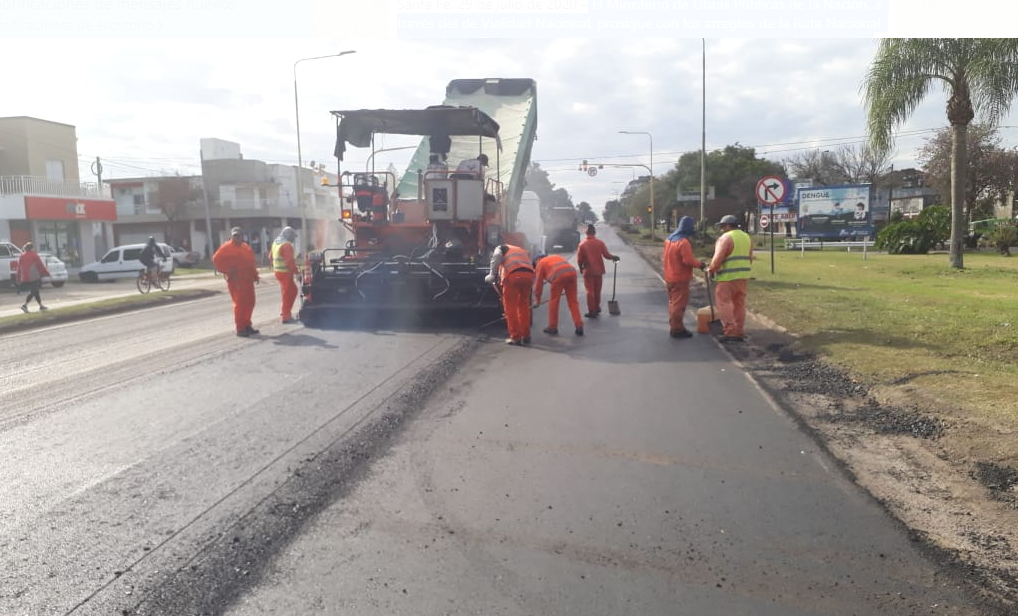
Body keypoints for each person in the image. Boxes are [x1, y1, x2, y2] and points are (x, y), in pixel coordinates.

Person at [706, 214, 754, 343]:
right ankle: (739, 331)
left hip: (728, 278)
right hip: (743, 277)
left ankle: (730, 331)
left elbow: (718, 259)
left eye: (722, 226)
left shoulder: (726, 238)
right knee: (739, 304)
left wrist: (711, 270)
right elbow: (750, 257)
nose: (722, 229)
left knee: (723, 303)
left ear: (728, 226)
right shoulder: (746, 237)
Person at [662, 216, 706, 339]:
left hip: (669, 276)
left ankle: (674, 326)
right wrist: (700, 264)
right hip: (680, 278)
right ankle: (677, 329)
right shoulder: (683, 242)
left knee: (672, 303)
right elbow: (688, 260)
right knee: (679, 305)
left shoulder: (668, 240)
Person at [213, 227, 261, 337]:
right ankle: (240, 328)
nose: (237, 237)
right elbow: (216, 259)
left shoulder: (246, 247)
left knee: (250, 303)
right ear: (232, 236)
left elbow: (251, 263)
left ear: (242, 236)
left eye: (238, 235)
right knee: (240, 304)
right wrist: (227, 269)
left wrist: (255, 276)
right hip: (236, 281)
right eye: (235, 235)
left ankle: (247, 325)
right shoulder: (226, 247)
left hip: (248, 280)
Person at [484, 243, 535, 345]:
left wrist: (492, 274)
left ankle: (515, 337)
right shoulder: (519, 249)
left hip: (513, 276)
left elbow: (496, 257)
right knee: (524, 306)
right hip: (529, 276)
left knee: (510, 307)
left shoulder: (500, 248)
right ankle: (526, 335)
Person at [532, 253, 584, 337]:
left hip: (559, 276)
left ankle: (553, 327)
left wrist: (537, 300)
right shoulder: (555, 256)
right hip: (572, 273)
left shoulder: (540, 264)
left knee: (554, 302)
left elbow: (538, 285)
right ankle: (579, 326)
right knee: (573, 302)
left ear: (536, 260)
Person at [575, 223, 619, 318]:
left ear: (586, 233)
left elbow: (579, 260)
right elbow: (606, 255)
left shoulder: (582, 245)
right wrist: (614, 257)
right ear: (594, 233)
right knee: (597, 291)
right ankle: (597, 308)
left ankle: (592, 311)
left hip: (588, 271)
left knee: (590, 291)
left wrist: (581, 269)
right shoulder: (600, 243)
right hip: (599, 271)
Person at [269, 226, 300, 324]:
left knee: (289, 292)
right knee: (289, 293)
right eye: (293, 237)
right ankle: (286, 316)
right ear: (288, 235)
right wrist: (297, 273)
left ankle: (285, 312)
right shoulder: (286, 245)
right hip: (285, 272)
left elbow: (270, 257)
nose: (294, 239)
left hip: (278, 272)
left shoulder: (276, 242)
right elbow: (289, 262)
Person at [17, 241, 51, 313]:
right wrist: (47, 273)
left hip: (25, 277)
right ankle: (25, 305)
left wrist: (18, 277)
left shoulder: (21, 256)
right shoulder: (34, 255)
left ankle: (41, 306)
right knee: (33, 291)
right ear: (32, 248)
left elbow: (19, 268)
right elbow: (40, 266)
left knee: (35, 291)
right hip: (33, 276)